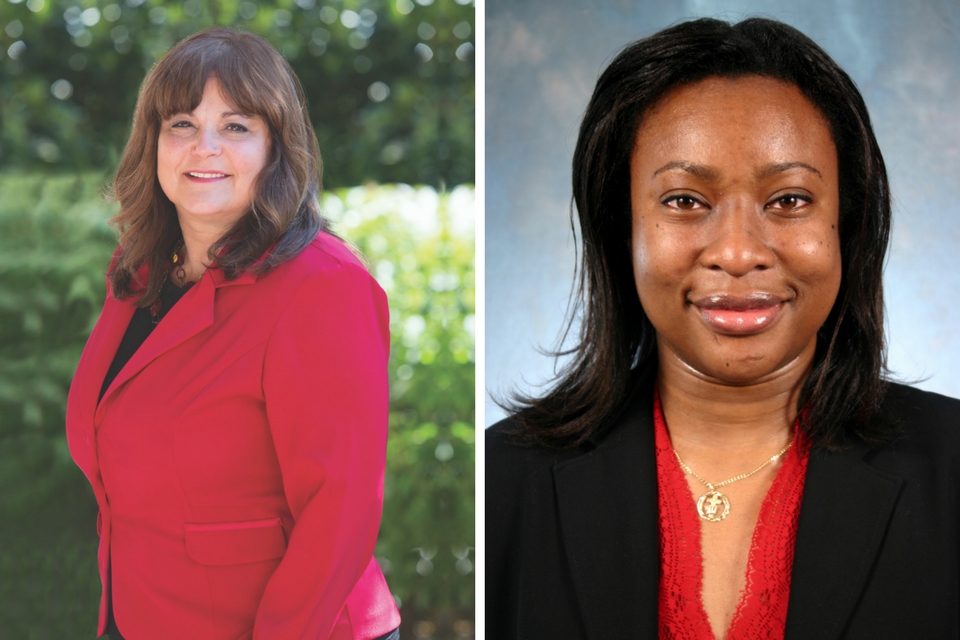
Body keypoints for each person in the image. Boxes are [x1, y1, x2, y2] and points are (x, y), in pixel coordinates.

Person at [486, 17, 960, 640]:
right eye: (685, 200)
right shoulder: (502, 482)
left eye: (789, 200)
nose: (737, 253)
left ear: (849, 221)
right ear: (621, 228)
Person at [65, 27, 401, 640]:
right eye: (182, 125)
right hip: (141, 615)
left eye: (237, 126)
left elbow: (340, 513)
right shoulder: (139, 269)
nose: (205, 148)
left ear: (276, 148)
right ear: (155, 143)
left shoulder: (322, 286)